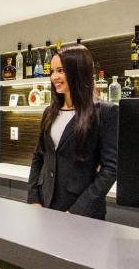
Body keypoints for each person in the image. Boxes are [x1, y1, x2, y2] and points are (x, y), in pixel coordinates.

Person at [27, 43, 118, 219]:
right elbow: (39, 156)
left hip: (81, 212)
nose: (54, 77)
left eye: (61, 70)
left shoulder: (104, 112)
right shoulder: (50, 112)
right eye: (52, 71)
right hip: (45, 206)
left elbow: (111, 169)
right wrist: (33, 198)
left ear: (78, 70)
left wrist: (77, 211)